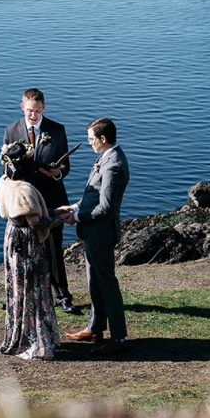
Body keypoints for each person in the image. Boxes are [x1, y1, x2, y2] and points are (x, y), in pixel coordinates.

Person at [57, 117, 130, 357]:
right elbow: (93, 195)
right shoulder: (106, 156)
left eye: (91, 139)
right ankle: (95, 328)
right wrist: (73, 207)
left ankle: (118, 338)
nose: (89, 143)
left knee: (107, 285)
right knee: (94, 283)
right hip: (93, 233)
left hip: (101, 234)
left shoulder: (113, 165)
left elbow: (106, 208)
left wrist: (77, 217)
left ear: (103, 138)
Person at [2, 88, 78, 314]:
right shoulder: (12, 130)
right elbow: (5, 166)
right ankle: (18, 296)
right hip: (23, 201)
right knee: (22, 252)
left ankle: (62, 296)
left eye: (37, 111)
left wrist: (56, 172)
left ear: (44, 108)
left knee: (54, 249)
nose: (33, 115)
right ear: (22, 107)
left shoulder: (57, 130)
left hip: (51, 197)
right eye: (29, 111)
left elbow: (66, 167)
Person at [0, 142, 60, 360]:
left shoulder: (5, 183)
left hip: (12, 237)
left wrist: (53, 211)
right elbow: (37, 223)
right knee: (34, 287)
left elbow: (23, 215)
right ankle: (35, 340)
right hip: (27, 243)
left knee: (17, 286)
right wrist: (62, 217)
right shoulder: (25, 190)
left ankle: (17, 335)